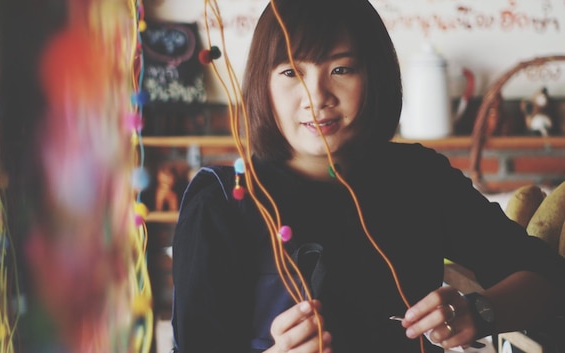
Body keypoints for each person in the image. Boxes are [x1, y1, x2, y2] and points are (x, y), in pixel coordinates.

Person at [170, 0, 565, 352]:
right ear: (263, 84)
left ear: (373, 75)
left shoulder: (419, 178)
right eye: (291, 71)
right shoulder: (222, 201)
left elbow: (547, 277)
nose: (316, 95)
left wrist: (479, 312)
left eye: (341, 68)